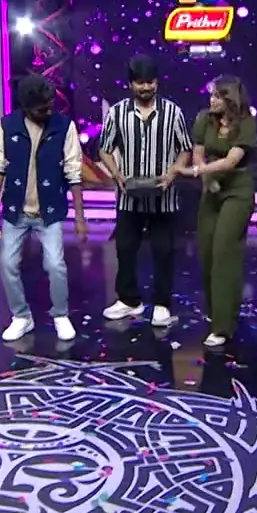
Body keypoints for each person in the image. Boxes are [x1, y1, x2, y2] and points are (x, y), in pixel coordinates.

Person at [0, 73, 90, 342]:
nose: (48, 111)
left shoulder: (64, 126)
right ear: (26, 106)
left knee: (55, 264)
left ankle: (60, 314)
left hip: (49, 211)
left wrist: (80, 217)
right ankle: (21, 316)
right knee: (7, 264)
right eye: (42, 108)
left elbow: (73, 173)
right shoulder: (7, 126)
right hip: (15, 211)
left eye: (50, 105)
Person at [97, 54, 193, 326]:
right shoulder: (117, 112)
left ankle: (162, 304)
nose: (146, 87)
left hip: (163, 196)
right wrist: (116, 174)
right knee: (125, 249)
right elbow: (104, 149)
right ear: (131, 84)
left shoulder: (173, 112)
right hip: (129, 196)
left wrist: (173, 173)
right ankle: (129, 300)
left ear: (157, 83)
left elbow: (185, 148)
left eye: (150, 82)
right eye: (140, 83)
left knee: (164, 250)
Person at [181, 75, 257, 348]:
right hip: (210, 189)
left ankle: (223, 326)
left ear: (230, 98)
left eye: (217, 95)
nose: (211, 99)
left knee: (225, 251)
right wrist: (205, 177)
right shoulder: (204, 118)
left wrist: (197, 172)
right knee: (207, 253)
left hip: (237, 190)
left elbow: (231, 161)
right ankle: (217, 313)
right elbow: (198, 153)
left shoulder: (246, 122)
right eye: (211, 94)